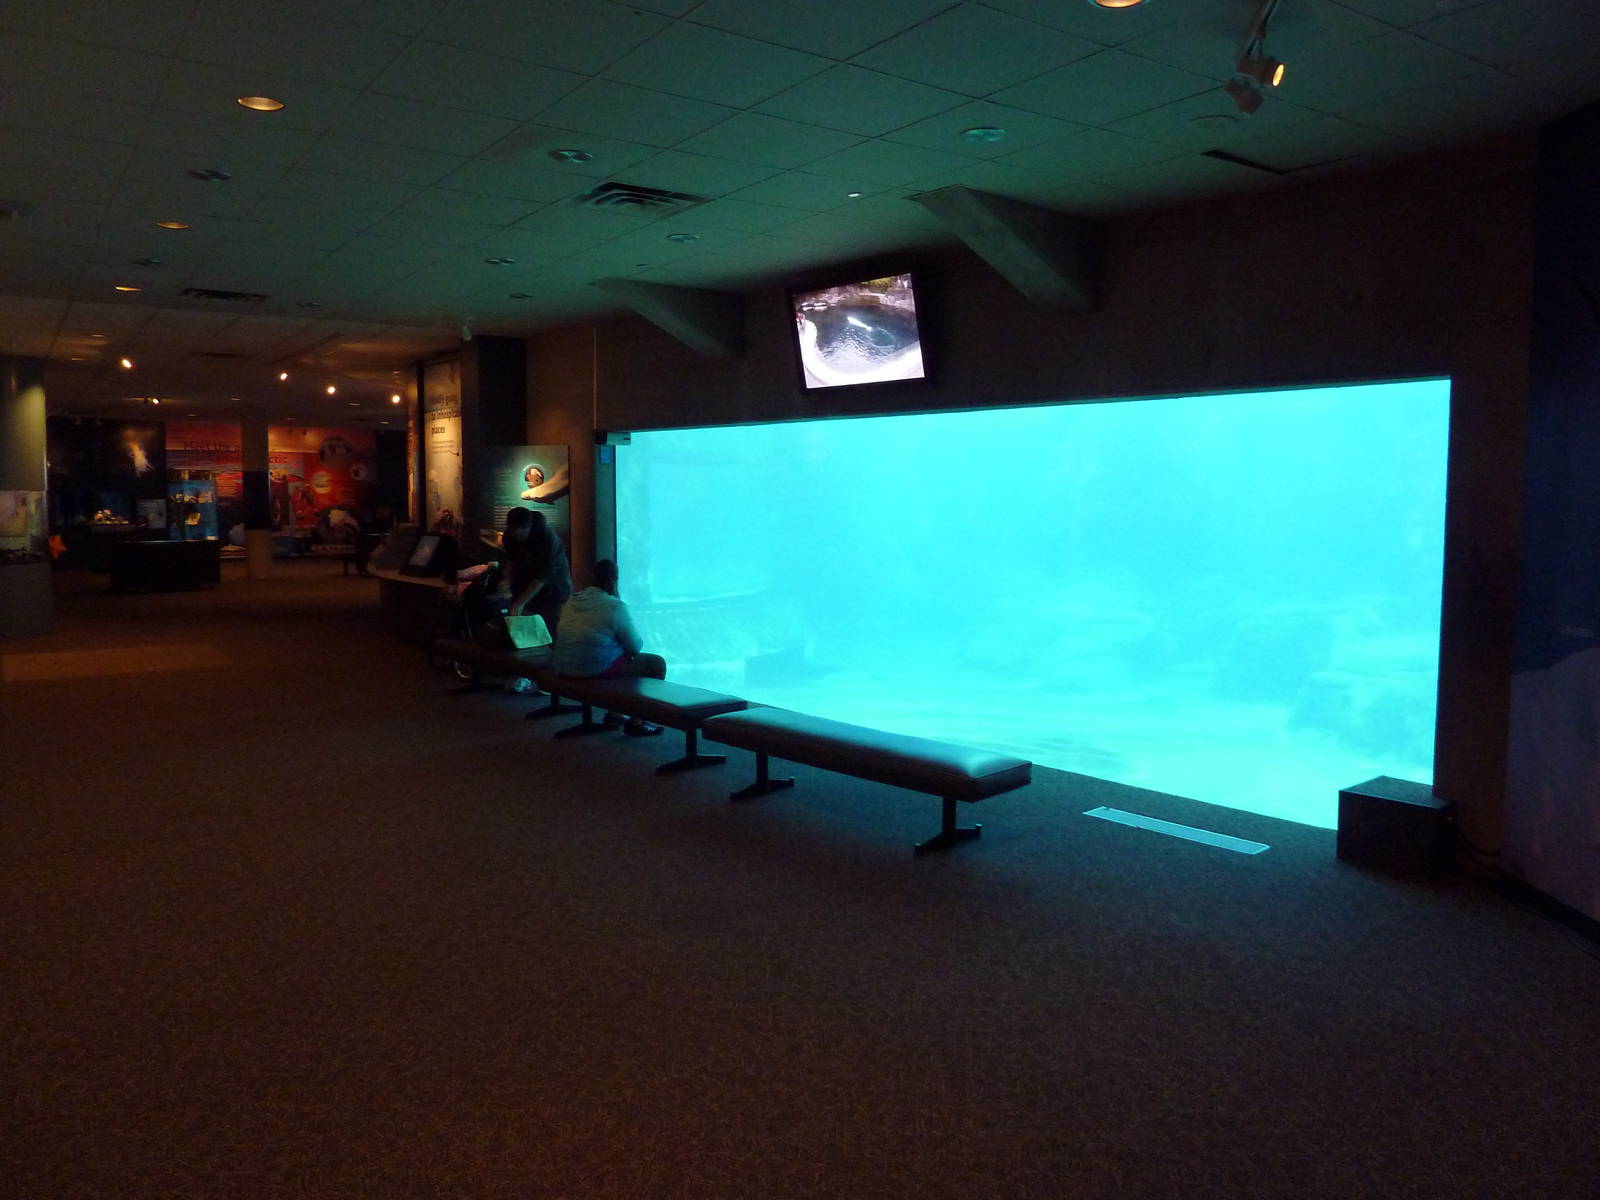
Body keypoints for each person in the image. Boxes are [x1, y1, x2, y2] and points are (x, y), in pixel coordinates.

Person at [554, 558, 664, 736]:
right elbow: (635, 646)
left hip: (563, 666)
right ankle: (637, 721)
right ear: (615, 579)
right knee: (655, 663)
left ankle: (615, 713)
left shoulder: (571, 601)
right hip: (590, 671)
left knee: (611, 653)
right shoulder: (614, 606)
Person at [501, 507, 572, 641]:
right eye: (514, 532)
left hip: (554, 587)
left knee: (547, 628)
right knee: (523, 627)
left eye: (521, 534)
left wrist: (521, 602)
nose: (517, 536)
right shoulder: (510, 535)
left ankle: (548, 651)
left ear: (529, 526)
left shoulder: (547, 538)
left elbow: (542, 576)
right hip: (526, 582)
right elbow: (511, 559)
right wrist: (507, 580)